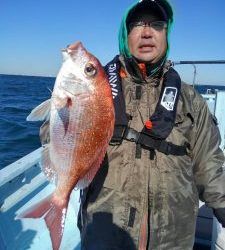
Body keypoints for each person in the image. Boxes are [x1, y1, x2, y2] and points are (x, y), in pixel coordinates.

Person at [76, 0, 225, 249]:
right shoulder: (94, 88)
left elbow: (209, 165)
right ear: (126, 33)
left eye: (157, 24)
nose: (147, 32)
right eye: (136, 24)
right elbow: (57, 137)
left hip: (172, 240)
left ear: (167, 33)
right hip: (106, 237)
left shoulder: (191, 100)